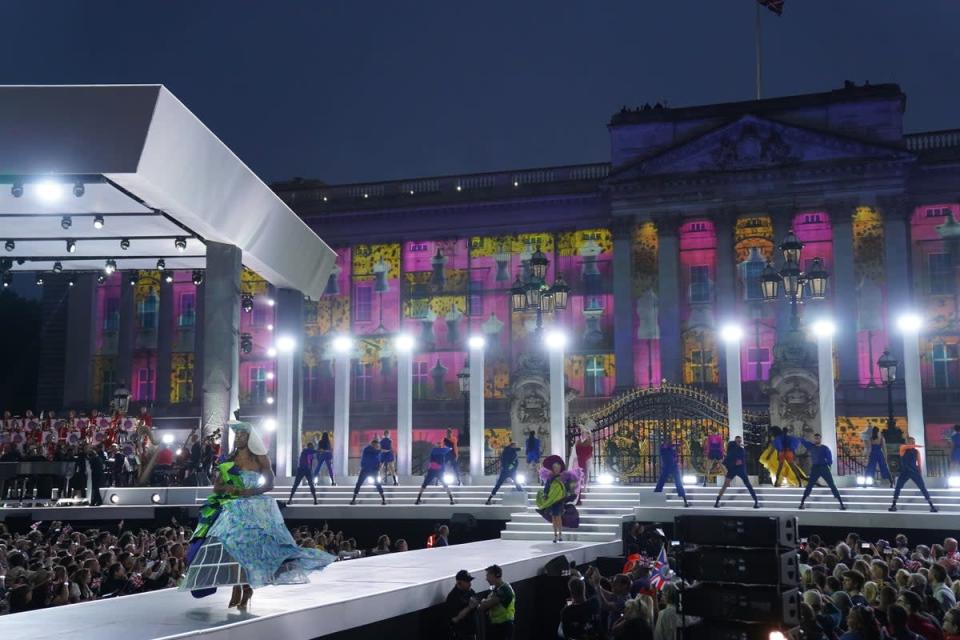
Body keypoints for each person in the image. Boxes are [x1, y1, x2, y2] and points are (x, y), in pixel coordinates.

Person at [179, 421, 335, 609]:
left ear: (250, 438)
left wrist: (248, 492)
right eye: (236, 435)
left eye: (242, 435)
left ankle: (245, 588)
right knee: (228, 545)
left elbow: (270, 485)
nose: (238, 438)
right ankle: (239, 586)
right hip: (233, 506)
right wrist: (229, 489)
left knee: (250, 549)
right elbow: (217, 486)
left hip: (255, 506)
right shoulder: (229, 459)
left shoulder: (261, 458)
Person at [535, 454, 578, 543]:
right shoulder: (550, 478)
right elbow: (547, 488)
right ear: (552, 468)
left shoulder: (564, 477)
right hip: (552, 501)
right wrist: (545, 495)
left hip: (559, 501)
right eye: (555, 467)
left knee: (558, 517)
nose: (557, 468)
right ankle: (555, 535)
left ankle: (560, 534)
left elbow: (568, 487)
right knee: (554, 519)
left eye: (558, 466)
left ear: (560, 467)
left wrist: (570, 491)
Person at [799, 432, 847, 511]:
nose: (817, 439)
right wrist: (800, 438)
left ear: (820, 439)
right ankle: (802, 503)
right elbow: (803, 442)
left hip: (824, 468)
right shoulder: (811, 446)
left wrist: (828, 465)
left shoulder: (825, 448)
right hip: (815, 468)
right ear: (814, 439)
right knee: (809, 485)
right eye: (815, 438)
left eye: (818, 438)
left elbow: (829, 458)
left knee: (832, 485)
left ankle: (841, 504)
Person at [889, 438, 938, 513]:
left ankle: (931, 506)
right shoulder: (903, 448)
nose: (914, 443)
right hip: (904, 472)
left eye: (914, 442)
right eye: (912, 442)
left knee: (922, 487)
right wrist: (919, 445)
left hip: (914, 472)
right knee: (898, 487)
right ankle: (893, 505)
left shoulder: (916, 451)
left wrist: (920, 473)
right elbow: (907, 447)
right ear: (908, 442)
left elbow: (919, 462)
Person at [713, 435, 759, 509]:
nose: (739, 442)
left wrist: (738, 445)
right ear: (735, 441)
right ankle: (717, 501)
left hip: (740, 469)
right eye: (737, 441)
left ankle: (756, 501)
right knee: (725, 484)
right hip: (733, 469)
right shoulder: (731, 447)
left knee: (748, 485)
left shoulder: (740, 450)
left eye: (740, 441)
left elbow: (739, 462)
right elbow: (730, 444)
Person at [477, 564, 515, 640]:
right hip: (497, 626)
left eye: (488, 575)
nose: (486, 579)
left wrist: (481, 603)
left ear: (494, 575)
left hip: (504, 627)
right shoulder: (497, 589)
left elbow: (484, 606)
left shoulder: (504, 590)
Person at [416, 440, 455, 505]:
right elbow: (450, 448)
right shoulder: (444, 450)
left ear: (436, 445)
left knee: (424, 485)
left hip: (432, 470)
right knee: (445, 485)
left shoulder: (433, 450)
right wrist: (445, 446)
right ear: (441, 445)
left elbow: (431, 461)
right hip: (440, 471)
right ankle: (451, 500)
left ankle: (418, 499)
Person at [653, 438, 689, 507]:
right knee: (661, 482)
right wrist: (673, 446)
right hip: (667, 467)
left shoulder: (671, 447)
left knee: (678, 483)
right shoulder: (663, 448)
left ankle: (685, 500)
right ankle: (655, 498)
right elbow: (666, 450)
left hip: (673, 467)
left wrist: (674, 447)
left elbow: (675, 455)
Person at [485, 439, 522, 505]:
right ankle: (522, 497)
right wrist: (512, 467)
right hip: (510, 471)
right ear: (512, 446)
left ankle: (489, 499)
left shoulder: (506, 451)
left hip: (505, 471)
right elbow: (514, 460)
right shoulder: (511, 451)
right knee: (517, 483)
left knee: (498, 484)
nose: (516, 447)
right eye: (515, 445)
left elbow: (506, 460)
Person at [351, 438, 386, 505]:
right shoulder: (367, 449)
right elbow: (377, 452)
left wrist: (379, 466)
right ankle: (353, 500)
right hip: (365, 470)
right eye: (376, 445)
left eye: (377, 446)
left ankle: (383, 500)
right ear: (373, 444)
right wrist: (382, 450)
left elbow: (379, 460)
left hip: (373, 470)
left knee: (378, 484)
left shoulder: (377, 452)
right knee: (359, 484)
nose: (377, 447)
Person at [447, 569, 479, 640]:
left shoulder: (471, 591)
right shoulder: (453, 596)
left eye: (470, 581)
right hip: (461, 634)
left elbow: (477, 606)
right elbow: (454, 619)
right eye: (467, 581)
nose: (470, 584)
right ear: (459, 582)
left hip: (472, 633)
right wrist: (469, 607)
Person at [287, 440, 319, 505]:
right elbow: (313, 451)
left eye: (312, 447)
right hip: (301, 470)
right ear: (309, 446)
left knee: (311, 485)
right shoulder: (305, 451)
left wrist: (311, 470)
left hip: (307, 470)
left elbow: (311, 463)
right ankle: (290, 500)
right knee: (296, 485)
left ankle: (315, 500)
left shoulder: (310, 454)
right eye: (311, 446)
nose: (312, 448)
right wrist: (320, 451)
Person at [572, 428, 593, 505]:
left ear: (587, 434)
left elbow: (590, 451)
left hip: (586, 459)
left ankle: (585, 486)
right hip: (579, 459)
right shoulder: (578, 441)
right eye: (582, 433)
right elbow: (575, 450)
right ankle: (579, 489)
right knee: (579, 474)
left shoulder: (589, 441)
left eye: (585, 433)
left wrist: (587, 458)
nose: (583, 434)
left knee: (586, 472)